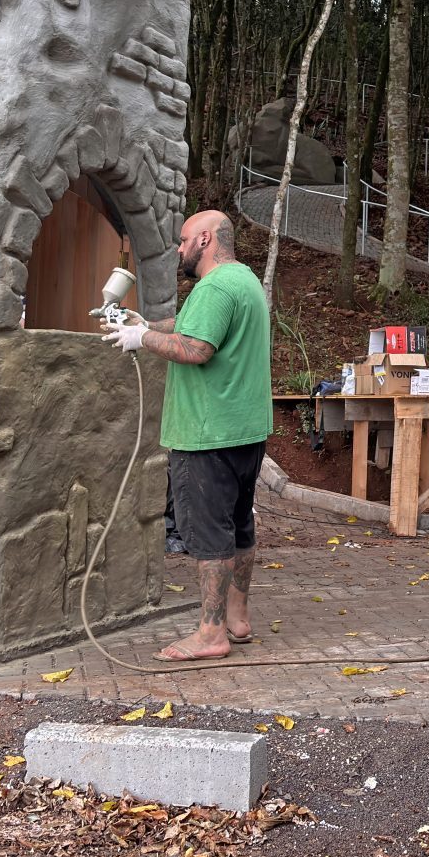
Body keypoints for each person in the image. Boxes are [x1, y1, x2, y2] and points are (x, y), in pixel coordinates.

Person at [102, 210, 271, 661]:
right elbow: (190, 326)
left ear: (205, 239)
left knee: (211, 534)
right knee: (239, 525)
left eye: (183, 240)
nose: (179, 249)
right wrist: (142, 324)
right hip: (245, 430)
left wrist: (141, 341)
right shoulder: (244, 281)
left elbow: (196, 347)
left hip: (206, 433)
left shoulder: (213, 287)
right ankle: (237, 618)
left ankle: (211, 634)